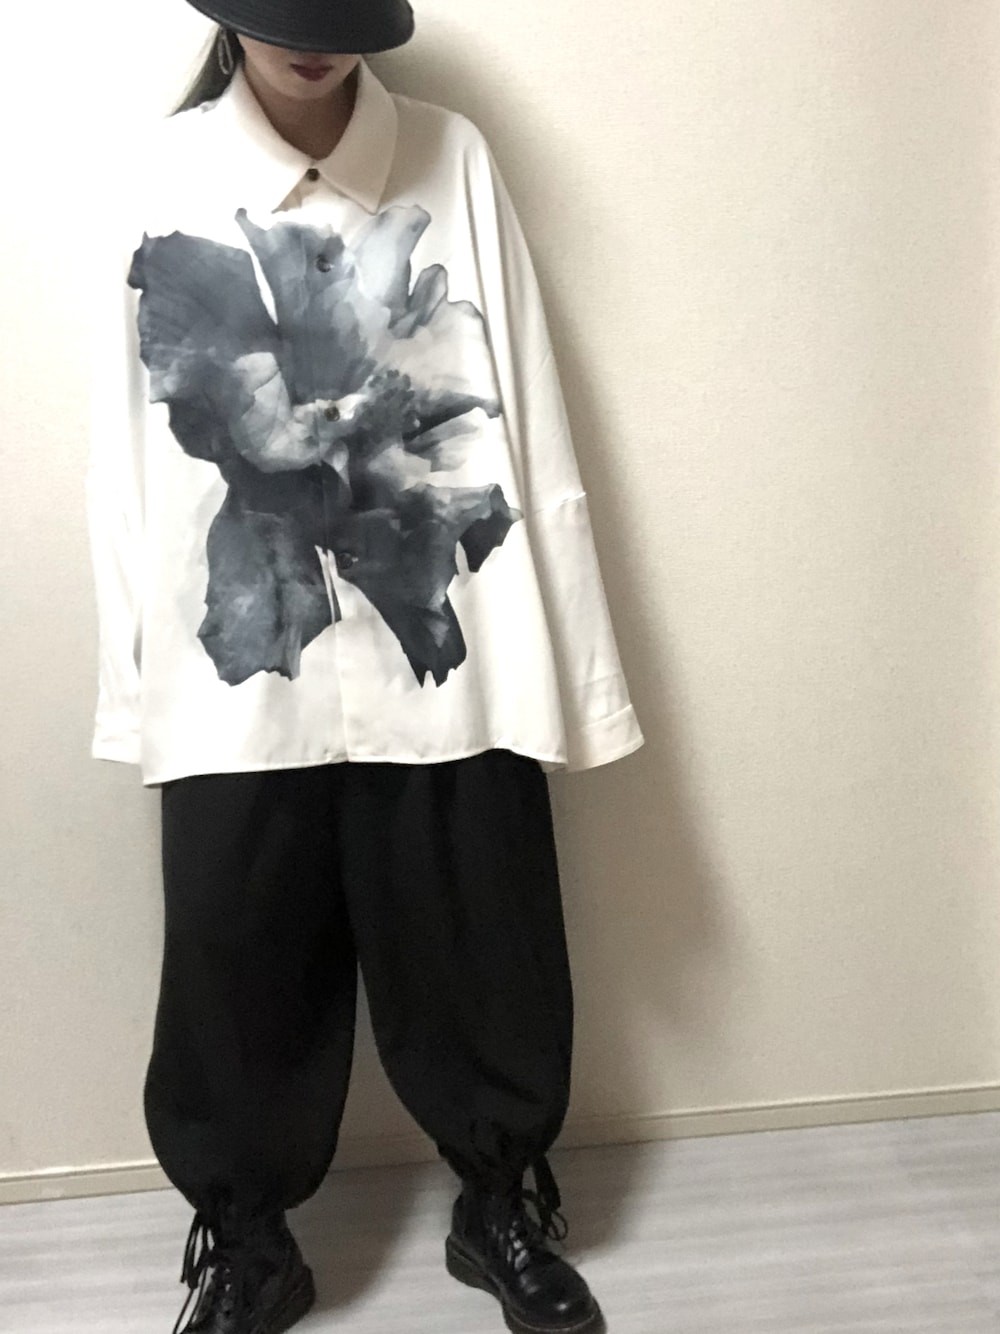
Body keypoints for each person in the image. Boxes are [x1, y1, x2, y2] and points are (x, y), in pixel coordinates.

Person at [85, 1, 644, 1330]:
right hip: (243, 636)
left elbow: (528, 405)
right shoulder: (162, 175)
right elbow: (126, 458)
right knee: (237, 941)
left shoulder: (454, 157)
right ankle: (249, 1240)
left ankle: (499, 1200)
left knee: (478, 917)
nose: (314, 37)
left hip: (444, 617)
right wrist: (137, 679)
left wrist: (565, 660)